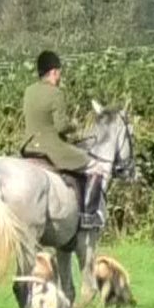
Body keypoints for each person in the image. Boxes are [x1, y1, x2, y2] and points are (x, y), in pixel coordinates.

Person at [22, 50, 104, 229]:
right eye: (59, 73)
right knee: (96, 167)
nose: (59, 77)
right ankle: (88, 216)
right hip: (50, 148)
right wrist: (74, 124)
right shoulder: (56, 93)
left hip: (28, 146)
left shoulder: (29, 91)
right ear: (53, 72)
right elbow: (60, 127)